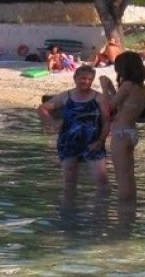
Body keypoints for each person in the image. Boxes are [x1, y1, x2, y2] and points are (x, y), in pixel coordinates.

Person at [38, 64, 109, 198]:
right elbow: (43, 109)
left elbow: (107, 121)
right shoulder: (66, 96)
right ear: (75, 78)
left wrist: (101, 141)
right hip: (68, 143)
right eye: (83, 78)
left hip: (93, 144)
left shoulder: (98, 98)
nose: (86, 82)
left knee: (101, 181)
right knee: (69, 181)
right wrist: (53, 124)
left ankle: (101, 213)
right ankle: (68, 215)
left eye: (89, 79)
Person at [101, 52, 145, 201]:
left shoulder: (127, 85)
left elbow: (109, 109)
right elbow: (123, 105)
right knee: (129, 176)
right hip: (131, 132)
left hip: (120, 134)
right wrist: (111, 88)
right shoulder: (141, 88)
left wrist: (104, 88)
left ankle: (123, 216)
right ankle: (131, 214)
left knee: (121, 178)